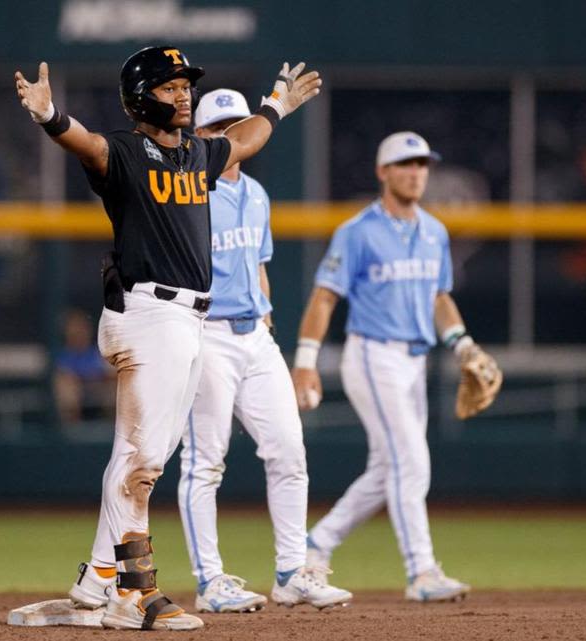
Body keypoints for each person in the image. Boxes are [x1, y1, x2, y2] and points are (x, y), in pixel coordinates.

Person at [15, 47, 321, 631]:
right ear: (140, 97)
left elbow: (247, 141)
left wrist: (276, 106)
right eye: (169, 86)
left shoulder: (197, 154)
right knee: (143, 461)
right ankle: (135, 592)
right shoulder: (129, 151)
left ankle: (97, 579)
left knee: (137, 454)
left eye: (186, 86)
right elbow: (88, 143)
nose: (182, 95)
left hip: (186, 321)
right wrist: (50, 116)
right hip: (149, 313)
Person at [291, 132, 497, 603]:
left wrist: (462, 344)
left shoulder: (434, 231)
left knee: (388, 468)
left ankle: (315, 545)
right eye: (405, 164)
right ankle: (421, 571)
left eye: (423, 164)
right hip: (372, 354)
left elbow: (439, 297)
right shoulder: (358, 231)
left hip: (415, 359)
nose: (416, 172)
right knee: (411, 461)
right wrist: (305, 362)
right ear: (383, 172)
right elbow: (324, 296)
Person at [176, 89, 352, 614]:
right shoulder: (188, 192)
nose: (232, 136)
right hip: (205, 334)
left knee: (290, 453)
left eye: (238, 126)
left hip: (256, 336)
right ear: (199, 137)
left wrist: (268, 314)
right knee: (204, 463)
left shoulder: (256, 192)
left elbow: (259, 264)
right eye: (219, 129)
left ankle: (293, 571)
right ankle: (209, 582)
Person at [53, 309, 114, 424]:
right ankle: (72, 432)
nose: (79, 332)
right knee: (65, 387)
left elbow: (110, 373)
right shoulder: (64, 355)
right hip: (77, 394)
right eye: (74, 328)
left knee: (115, 387)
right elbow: (64, 374)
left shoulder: (98, 351)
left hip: (99, 391)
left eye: (82, 328)